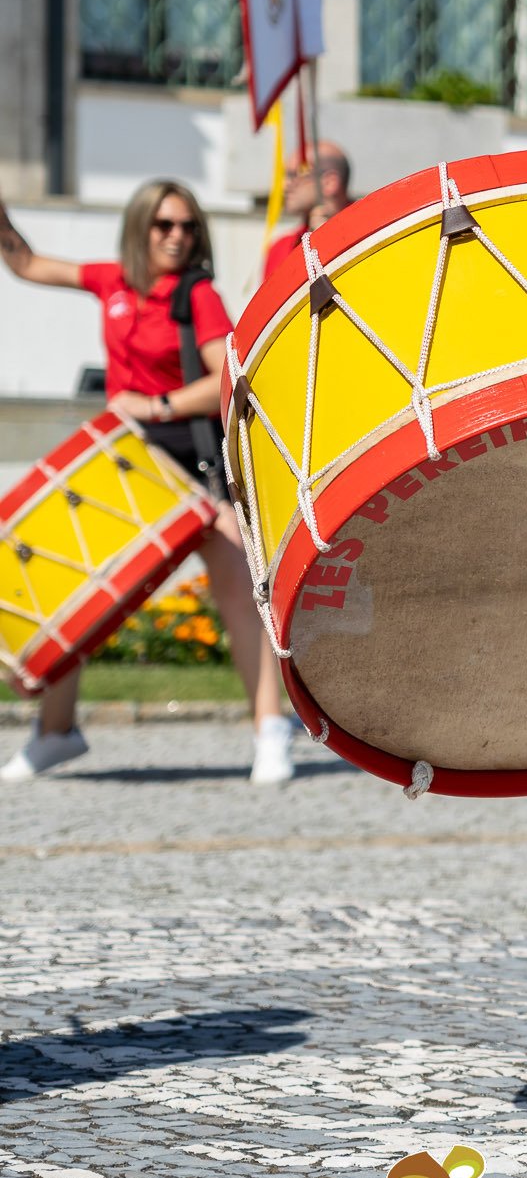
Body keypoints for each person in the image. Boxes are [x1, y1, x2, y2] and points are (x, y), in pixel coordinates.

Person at [0, 179, 294, 785]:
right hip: (127, 465)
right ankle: (57, 733)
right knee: (74, 593)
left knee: (239, 592)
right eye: (164, 225)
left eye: (187, 226)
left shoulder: (199, 294)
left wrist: (155, 405)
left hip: (191, 462)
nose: (177, 237)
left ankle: (270, 730)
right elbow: (26, 263)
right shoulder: (112, 280)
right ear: (140, 227)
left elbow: (226, 378)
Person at [262, 140, 352, 281]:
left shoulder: (370, 233)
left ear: (329, 182)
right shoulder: (280, 249)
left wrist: (331, 242)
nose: (284, 185)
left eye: (294, 175)